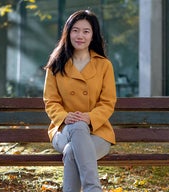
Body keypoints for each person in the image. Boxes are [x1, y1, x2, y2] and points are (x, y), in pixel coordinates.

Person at [43, 10, 117, 192]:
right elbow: (50, 100)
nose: (80, 36)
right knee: (76, 127)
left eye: (86, 31)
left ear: (93, 35)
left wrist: (89, 118)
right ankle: (93, 189)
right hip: (62, 130)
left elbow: (108, 102)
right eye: (75, 30)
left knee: (71, 152)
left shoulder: (104, 65)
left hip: (98, 132)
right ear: (68, 32)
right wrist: (65, 117)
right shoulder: (56, 64)